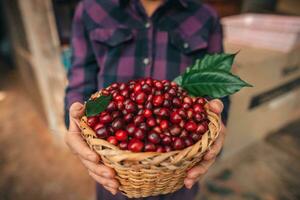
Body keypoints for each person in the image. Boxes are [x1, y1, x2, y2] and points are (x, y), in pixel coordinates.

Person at [64, 0, 230, 199]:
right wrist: (74, 121)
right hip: (115, 175)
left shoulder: (206, 17)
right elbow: (80, 80)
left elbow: (216, 87)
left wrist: (217, 127)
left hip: (179, 172)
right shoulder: (91, 9)